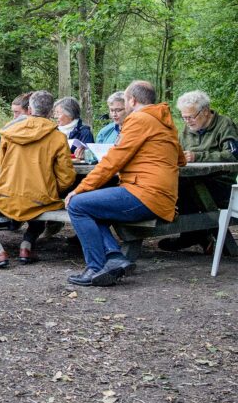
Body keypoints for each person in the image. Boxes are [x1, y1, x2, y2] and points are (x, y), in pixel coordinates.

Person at [64, 81, 186, 287]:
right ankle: (114, 258)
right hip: (160, 195)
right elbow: (180, 159)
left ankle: (95, 267)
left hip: (145, 194)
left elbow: (112, 161)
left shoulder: (139, 119)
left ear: (132, 100)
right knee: (93, 206)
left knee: (77, 204)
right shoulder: (163, 120)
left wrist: (78, 189)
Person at [0, 91, 76, 268]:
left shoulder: (10, 132)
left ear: (30, 109)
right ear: (50, 111)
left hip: (8, 197)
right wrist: (50, 188)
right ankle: (27, 245)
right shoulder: (58, 137)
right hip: (40, 198)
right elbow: (66, 176)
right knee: (42, 205)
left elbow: (1, 163)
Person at [158, 90, 238, 253]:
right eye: (184, 117)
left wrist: (197, 157)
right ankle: (196, 235)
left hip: (221, 184)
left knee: (181, 186)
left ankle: (193, 235)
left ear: (206, 111)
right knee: (166, 184)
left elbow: (233, 154)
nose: (187, 121)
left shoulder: (224, 124)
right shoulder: (187, 131)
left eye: (191, 117)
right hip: (193, 179)